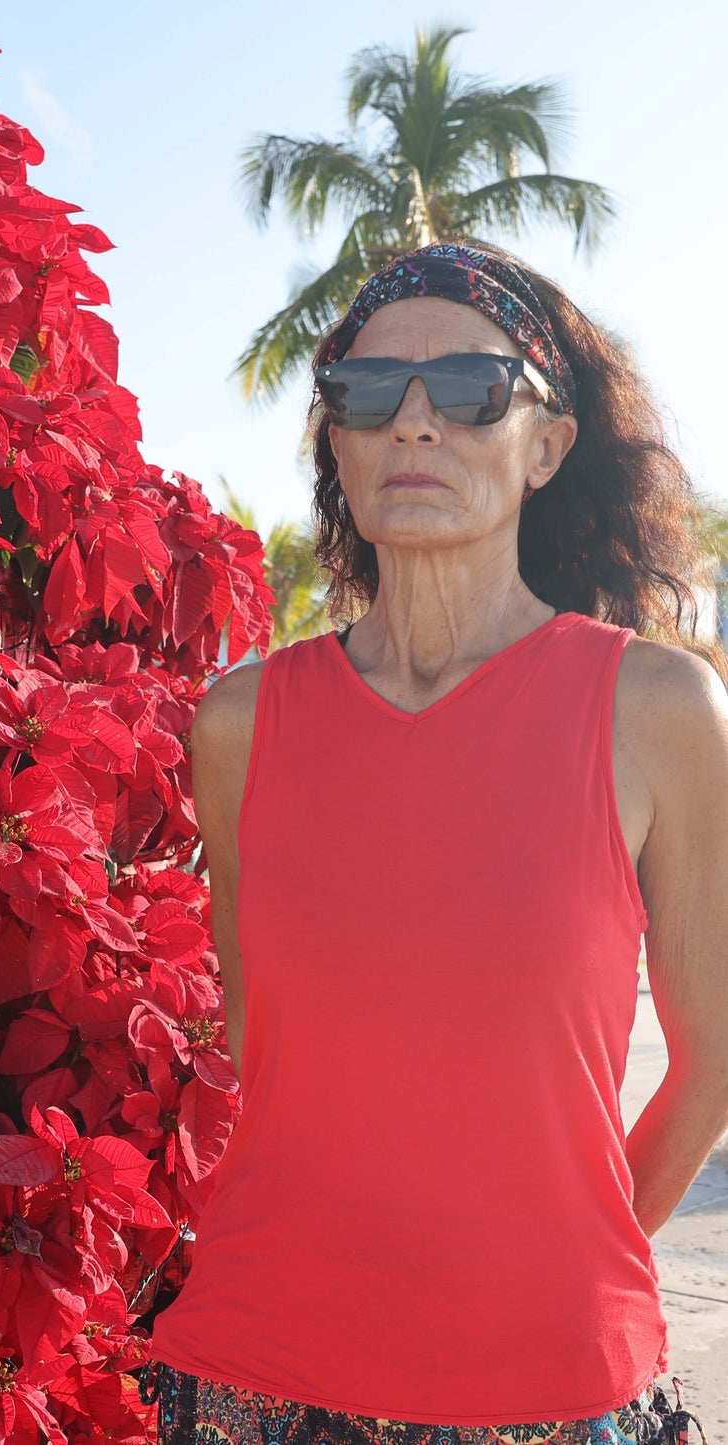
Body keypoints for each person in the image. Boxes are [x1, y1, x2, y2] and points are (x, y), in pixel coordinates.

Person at [141, 241, 724, 1445]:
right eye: (365, 391)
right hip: (254, 1368)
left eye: (469, 388)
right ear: (336, 441)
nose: (413, 421)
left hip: (549, 1377)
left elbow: (714, 1060)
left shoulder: (656, 709)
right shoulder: (239, 722)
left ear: (545, 445)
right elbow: (262, 1042)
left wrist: (569, 1248)